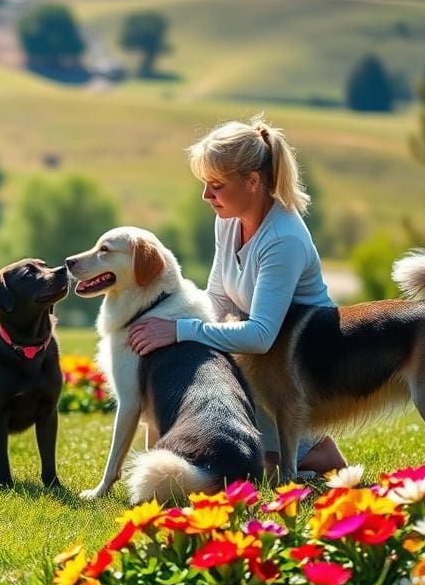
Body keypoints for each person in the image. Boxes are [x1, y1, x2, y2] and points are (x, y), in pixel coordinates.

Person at [128, 116, 347, 478]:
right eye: (205, 184)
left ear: (253, 181)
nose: (206, 196)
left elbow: (261, 336)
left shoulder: (283, 238)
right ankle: (251, 451)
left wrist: (180, 331)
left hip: (302, 360)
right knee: (196, 355)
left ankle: (314, 450)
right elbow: (218, 298)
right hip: (264, 350)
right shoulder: (228, 218)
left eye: (216, 185)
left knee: (222, 357)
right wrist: (180, 339)